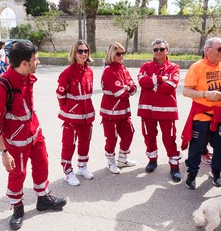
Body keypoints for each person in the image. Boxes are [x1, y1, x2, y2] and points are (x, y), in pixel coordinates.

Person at [0, 41, 67, 230]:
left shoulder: (26, 77)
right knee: (17, 175)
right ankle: (17, 208)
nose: (37, 62)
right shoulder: (2, 87)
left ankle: (43, 199)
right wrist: (4, 152)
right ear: (24, 63)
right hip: (15, 142)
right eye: (35, 59)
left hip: (34, 135)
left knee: (42, 165)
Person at [137, 38, 182, 182]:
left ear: (166, 50)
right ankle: (152, 160)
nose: (158, 52)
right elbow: (141, 82)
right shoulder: (145, 66)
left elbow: (171, 85)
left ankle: (174, 166)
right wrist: (161, 79)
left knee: (169, 138)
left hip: (166, 111)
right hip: (147, 110)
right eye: (155, 49)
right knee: (149, 137)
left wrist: (153, 83)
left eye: (161, 49)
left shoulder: (174, 67)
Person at [182, 37, 221, 190]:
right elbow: (186, 91)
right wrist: (206, 94)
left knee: (219, 147)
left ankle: (216, 173)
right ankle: (192, 174)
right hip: (202, 114)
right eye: (220, 49)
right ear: (207, 50)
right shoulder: (197, 67)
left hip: (219, 115)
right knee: (197, 146)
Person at [56, 40, 95, 186]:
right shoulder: (67, 72)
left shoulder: (89, 71)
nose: (83, 54)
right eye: (80, 51)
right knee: (69, 144)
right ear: (74, 53)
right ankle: (67, 172)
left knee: (85, 141)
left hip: (87, 115)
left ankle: (82, 166)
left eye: (86, 51)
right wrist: (69, 109)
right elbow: (60, 94)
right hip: (72, 116)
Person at [100, 42, 136, 174]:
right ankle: (111, 161)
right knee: (111, 138)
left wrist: (127, 87)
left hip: (124, 111)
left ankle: (122, 158)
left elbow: (133, 86)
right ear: (111, 54)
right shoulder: (109, 70)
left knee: (129, 133)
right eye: (118, 54)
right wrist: (127, 88)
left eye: (123, 53)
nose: (121, 56)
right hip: (110, 112)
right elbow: (120, 93)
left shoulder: (123, 68)